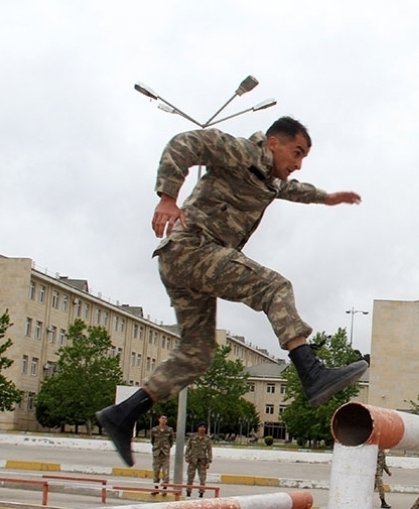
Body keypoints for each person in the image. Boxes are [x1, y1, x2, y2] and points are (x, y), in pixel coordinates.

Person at [96, 117, 369, 466]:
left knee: (197, 354)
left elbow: (293, 189)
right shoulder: (240, 151)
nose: (298, 163)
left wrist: (327, 198)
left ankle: (122, 414)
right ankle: (311, 372)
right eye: (296, 152)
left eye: (304, 158)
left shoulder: (270, 180)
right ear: (273, 143)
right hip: (191, 249)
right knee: (274, 287)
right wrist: (168, 197)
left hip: (186, 263)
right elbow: (185, 144)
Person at [149, 415, 175, 496]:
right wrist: (156, 447)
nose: (163, 420)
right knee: (156, 472)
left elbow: (171, 441)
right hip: (157, 453)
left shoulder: (169, 430)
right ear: (159, 420)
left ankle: (164, 489)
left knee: (166, 472)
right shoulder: (154, 430)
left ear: (166, 421)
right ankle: (156, 489)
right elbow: (152, 441)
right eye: (162, 418)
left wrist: (167, 448)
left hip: (165, 454)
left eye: (165, 419)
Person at [185, 423, 213, 497]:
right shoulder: (193, 437)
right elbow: (188, 448)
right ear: (198, 428)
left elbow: (209, 450)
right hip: (192, 460)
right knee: (190, 477)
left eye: (204, 427)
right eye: (200, 427)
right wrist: (187, 457)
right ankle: (188, 492)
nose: (202, 428)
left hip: (202, 461)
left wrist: (209, 461)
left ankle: (201, 493)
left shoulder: (207, 439)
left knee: (202, 478)